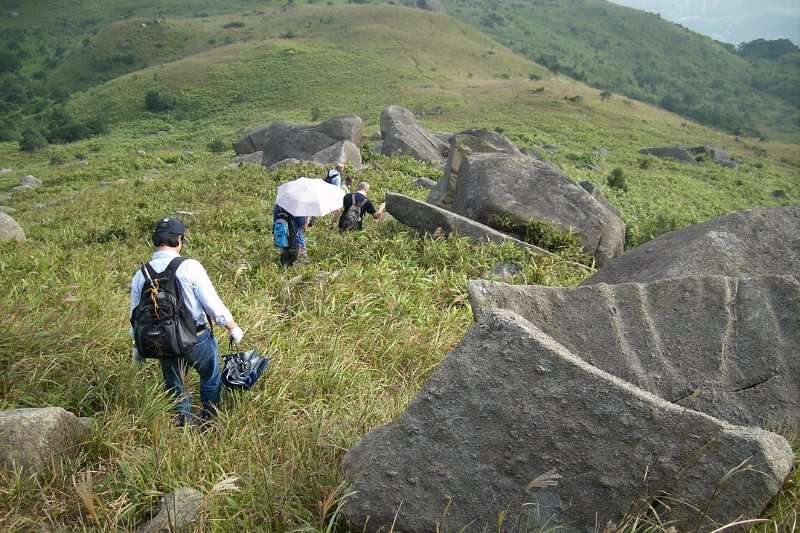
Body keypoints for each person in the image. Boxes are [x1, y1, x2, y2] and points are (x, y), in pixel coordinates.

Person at [130, 217, 244, 426]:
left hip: (163, 341)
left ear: (155, 240)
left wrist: (137, 345)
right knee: (210, 376)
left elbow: (135, 314)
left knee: (175, 385)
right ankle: (210, 421)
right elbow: (212, 304)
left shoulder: (141, 273)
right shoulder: (189, 266)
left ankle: (184, 426)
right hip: (196, 338)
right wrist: (232, 327)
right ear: (180, 240)